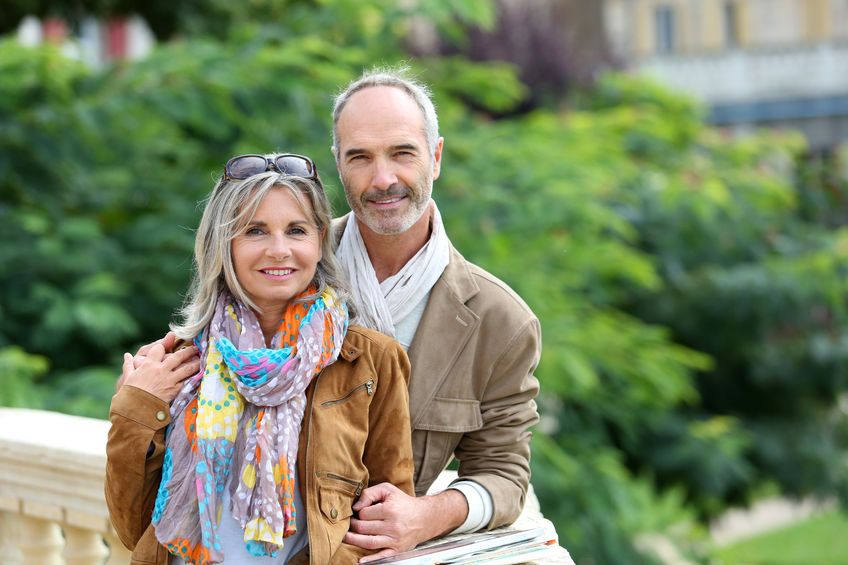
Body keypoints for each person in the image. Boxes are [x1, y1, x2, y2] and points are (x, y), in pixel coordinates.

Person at [105, 153, 414, 565]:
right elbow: (132, 529)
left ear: (319, 239)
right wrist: (136, 407)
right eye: (255, 231)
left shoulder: (370, 360)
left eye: (297, 230)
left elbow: (386, 524)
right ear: (223, 243)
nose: (279, 250)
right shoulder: (177, 362)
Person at [330, 68, 541, 562]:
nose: (383, 179)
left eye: (402, 153)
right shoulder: (285, 270)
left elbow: (504, 474)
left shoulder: (500, 321)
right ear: (338, 164)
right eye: (360, 157)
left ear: (436, 157)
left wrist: (428, 515)